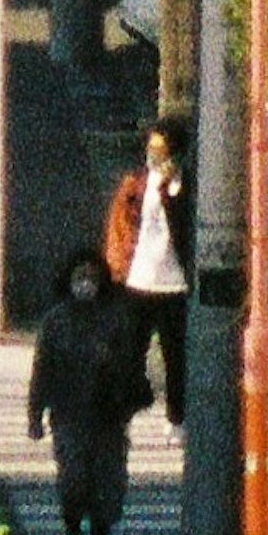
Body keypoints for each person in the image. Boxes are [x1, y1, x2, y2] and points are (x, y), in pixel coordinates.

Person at [25, 248, 144, 535]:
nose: (86, 284)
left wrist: (121, 385)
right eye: (80, 277)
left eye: (92, 277)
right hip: (69, 418)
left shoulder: (116, 320)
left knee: (106, 495)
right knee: (74, 485)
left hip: (108, 422)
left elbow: (133, 370)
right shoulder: (56, 322)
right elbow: (42, 369)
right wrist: (35, 412)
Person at [104, 122, 191, 428]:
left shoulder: (184, 186)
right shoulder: (135, 185)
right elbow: (118, 231)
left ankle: (176, 416)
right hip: (138, 280)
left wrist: (170, 189)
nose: (154, 156)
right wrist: (116, 271)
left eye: (162, 150)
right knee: (129, 351)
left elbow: (185, 228)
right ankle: (128, 406)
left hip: (174, 283)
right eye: (151, 149)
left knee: (176, 356)